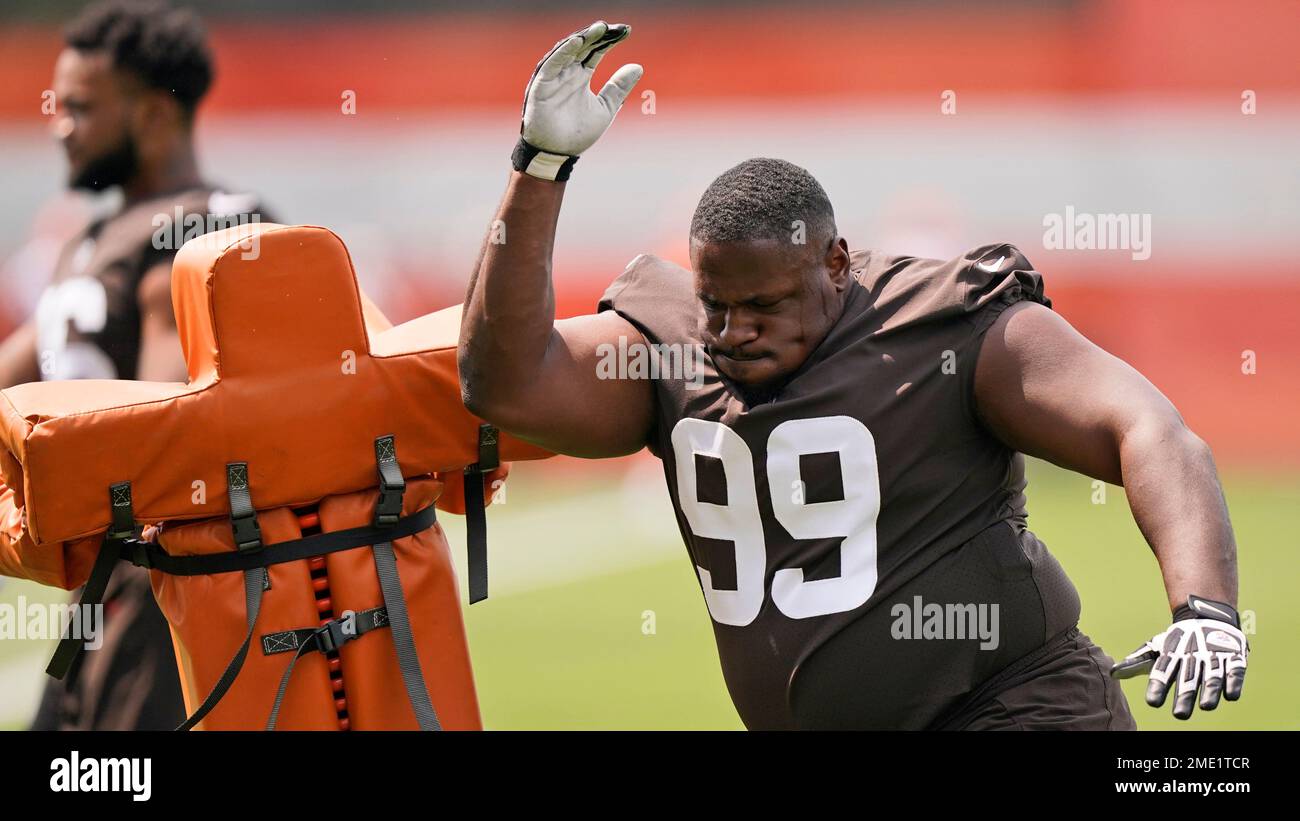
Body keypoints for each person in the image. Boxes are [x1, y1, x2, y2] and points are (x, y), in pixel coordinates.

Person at [457, 21, 1248, 729]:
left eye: (764, 304)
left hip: (1012, 705)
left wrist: (1205, 607)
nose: (735, 331)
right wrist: (541, 164)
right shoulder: (669, 341)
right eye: (716, 305)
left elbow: (1145, 426)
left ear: (835, 263)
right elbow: (506, 383)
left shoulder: (944, 321)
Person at [0, 0, 272, 730]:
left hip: (173, 599)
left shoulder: (207, 227)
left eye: (82, 108)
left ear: (153, 114)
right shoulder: (91, 240)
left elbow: (159, 428)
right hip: (101, 597)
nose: (61, 126)